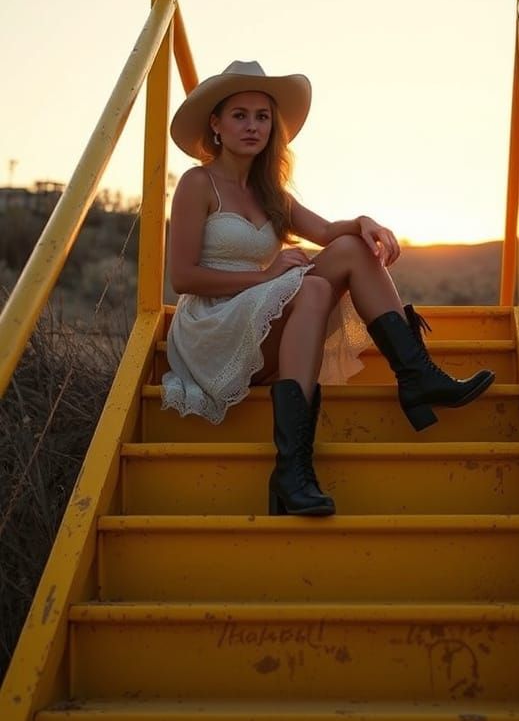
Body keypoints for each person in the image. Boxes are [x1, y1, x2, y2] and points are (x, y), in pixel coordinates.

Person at [162, 60, 495, 518]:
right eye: (239, 115)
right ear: (216, 125)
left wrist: (364, 222)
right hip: (213, 325)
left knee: (352, 248)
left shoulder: (270, 191)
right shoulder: (197, 183)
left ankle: (414, 378)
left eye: (262, 116)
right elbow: (182, 277)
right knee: (314, 290)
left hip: (263, 320)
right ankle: (295, 467)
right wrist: (264, 277)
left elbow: (326, 231)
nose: (253, 126)